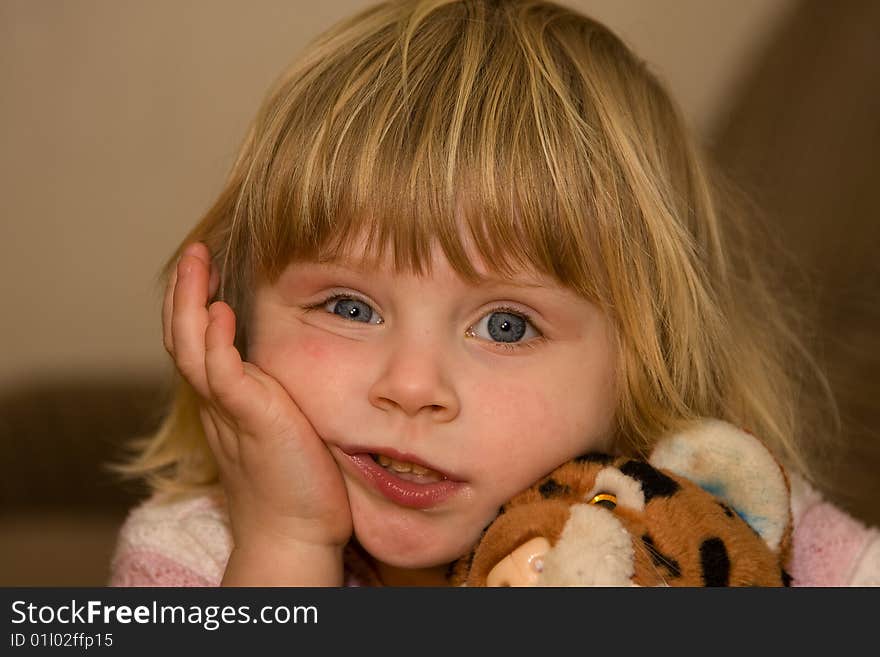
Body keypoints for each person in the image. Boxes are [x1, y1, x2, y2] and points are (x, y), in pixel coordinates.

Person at [110, 0, 879, 586]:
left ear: (645, 357)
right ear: (235, 322)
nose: (412, 387)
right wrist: (286, 542)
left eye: (506, 325)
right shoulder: (193, 553)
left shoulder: (727, 512)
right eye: (349, 306)